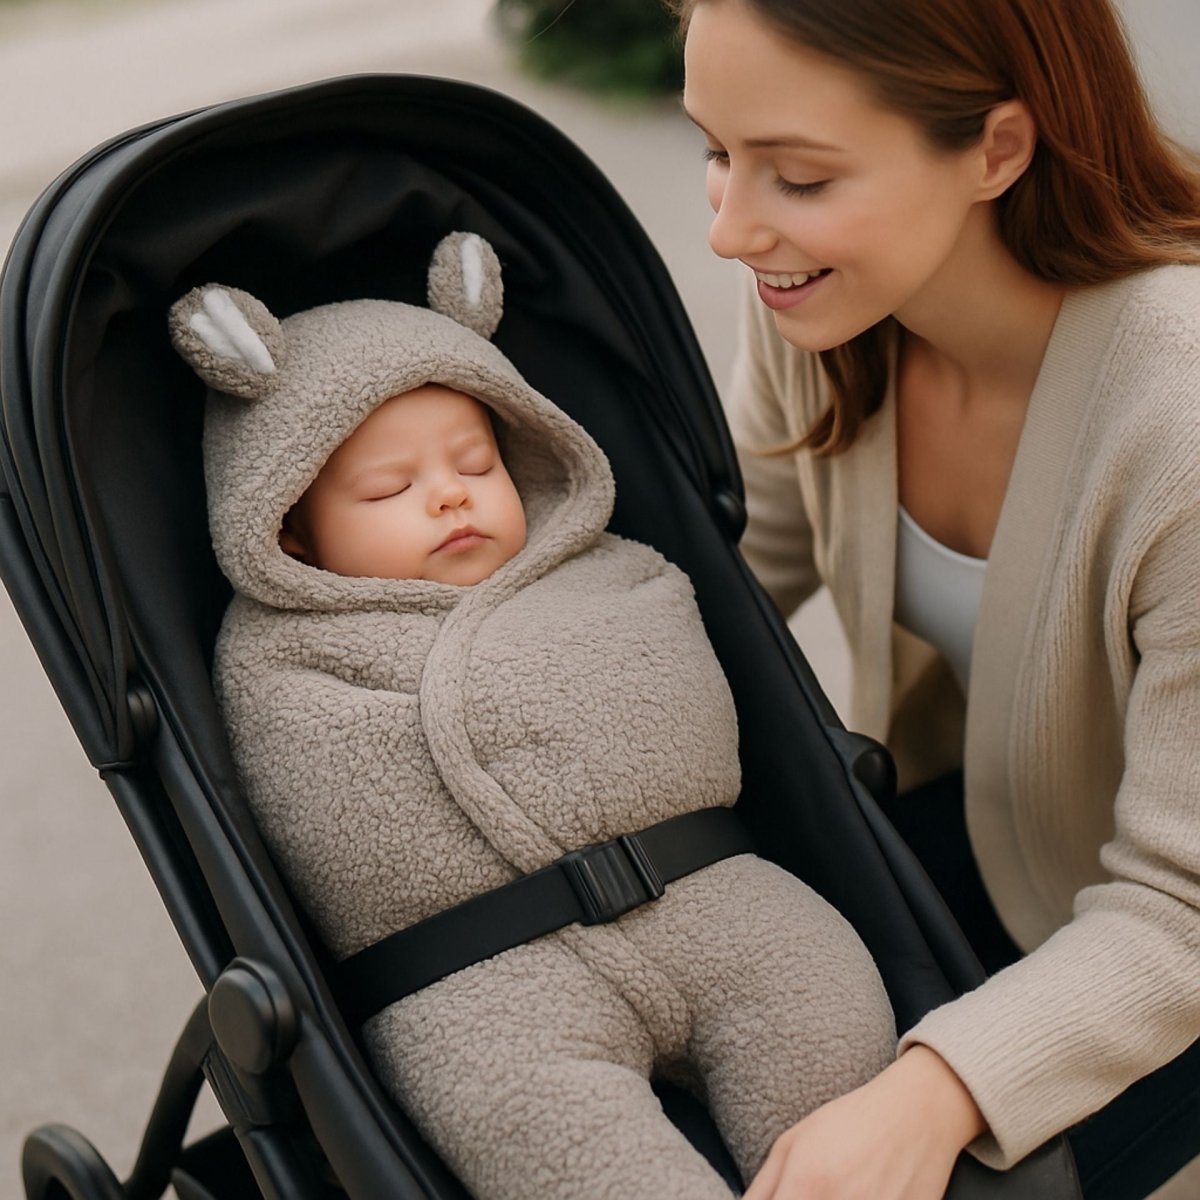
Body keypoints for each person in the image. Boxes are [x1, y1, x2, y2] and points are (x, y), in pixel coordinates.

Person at [167, 231, 895, 1200]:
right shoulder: (282, 656)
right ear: (291, 531)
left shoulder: (611, 571)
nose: (449, 496)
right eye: (390, 488)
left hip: (712, 894)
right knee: (548, 1137)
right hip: (480, 977)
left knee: (825, 1018)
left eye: (477, 463)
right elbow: (324, 811)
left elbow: (682, 705)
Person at [671, 0, 1200, 1197]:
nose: (730, 229)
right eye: (714, 150)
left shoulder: (1179, 420)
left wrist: (934, 1093)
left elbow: (1185, 904)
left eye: (800, 176)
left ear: (998, 150)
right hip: (1009, 840)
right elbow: (723, 594)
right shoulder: (825, 312)